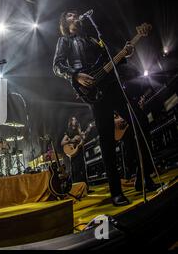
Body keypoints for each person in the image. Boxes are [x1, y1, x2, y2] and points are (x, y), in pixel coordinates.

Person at [53, 10, 159, 207]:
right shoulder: (65, 41)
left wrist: (126, 52)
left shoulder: (93, 37)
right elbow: (57, 66)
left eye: (76, 13)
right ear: (64, 22)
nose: (75, 16)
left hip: (114, 87)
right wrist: (76, 75)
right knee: (107, 140)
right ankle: (116, 192)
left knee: (141, 120)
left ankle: (143, 177)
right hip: (95, 93)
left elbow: (110, 58)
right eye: (70, 15)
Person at [61, 116, 87, 185]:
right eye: (73, 119)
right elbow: (62, 142)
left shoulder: (79, 129)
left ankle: (86, 187)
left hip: (80, 150)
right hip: (73, 152)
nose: (75, 120)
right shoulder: (68, 131)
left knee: (83, 168)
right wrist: (71, 140)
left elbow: (82, 139)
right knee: (75, 169)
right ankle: (77, 186)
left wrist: (83, 139)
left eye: (76, 119)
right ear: (71, 122)